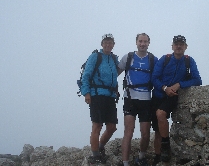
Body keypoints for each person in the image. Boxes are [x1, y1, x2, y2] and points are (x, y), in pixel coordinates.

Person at [151, 35, 202, 165]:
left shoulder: (189, 61)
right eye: (176, 44)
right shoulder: (165, 59)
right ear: (172, 46)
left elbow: (197, 80)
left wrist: (180, 84)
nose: (179, 46)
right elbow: (154, 78)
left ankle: (166, 146)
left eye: (181, 44)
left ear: (185, 47)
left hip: (172, 96)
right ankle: (158, 157)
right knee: (157, 129)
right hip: (158, 95)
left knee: (160, 114)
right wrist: (164, 88)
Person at [118, 33, 158, 166]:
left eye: (145, 41)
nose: (142, 44)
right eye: (140, 41)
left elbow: (159, 76)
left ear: (148, 43)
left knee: (145, 133)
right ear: (136, 42)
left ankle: (141, 157)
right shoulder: (128, 57)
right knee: (128, 132)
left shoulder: (153, 59)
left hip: (146, 100)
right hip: (130, 98)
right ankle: (125, 163)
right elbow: (114, 73)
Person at [81, 33, 119, 165]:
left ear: (113, 44)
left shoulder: (114, 59)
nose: (108, 44)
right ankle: (95, 155)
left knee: (112, 127)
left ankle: (101, 147)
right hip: (96, 94)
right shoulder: (95, 57)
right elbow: (86, 75)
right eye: (106, 42)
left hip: (110, 96)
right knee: (97, 125)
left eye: (110, 42)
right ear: (102, 44)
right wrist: (86, 93)